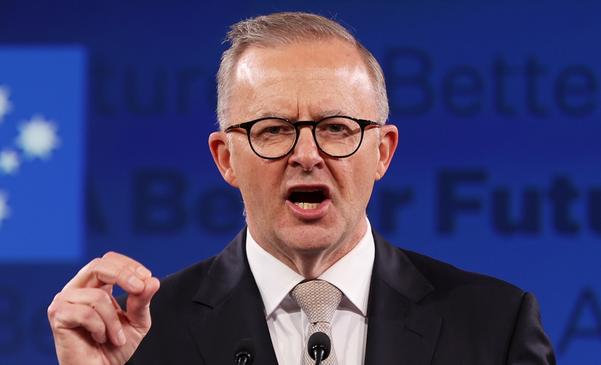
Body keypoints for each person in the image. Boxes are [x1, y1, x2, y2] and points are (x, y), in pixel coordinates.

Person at [47, 12, 556, 365]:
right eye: (273, 129)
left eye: (336, 127)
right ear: (225, 159)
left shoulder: (495, 325)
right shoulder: (142, 338)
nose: (307, 154)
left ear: (383, 151)